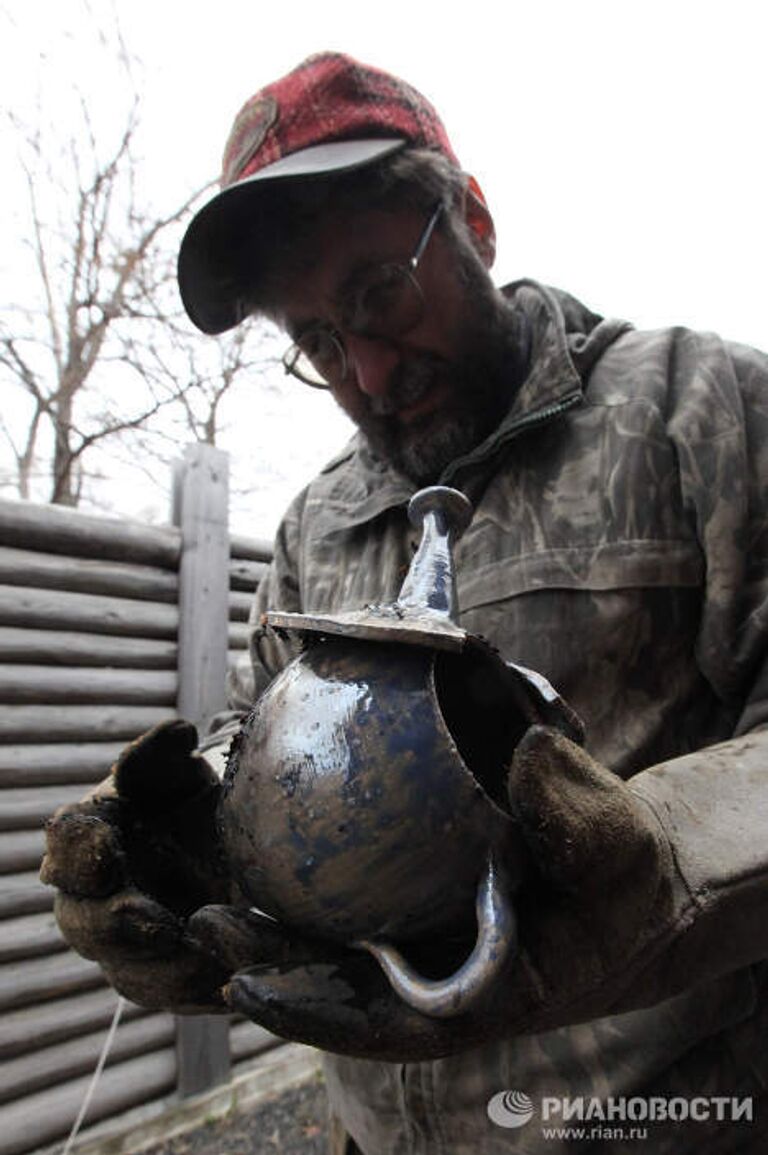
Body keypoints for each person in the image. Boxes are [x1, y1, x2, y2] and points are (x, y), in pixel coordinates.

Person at [41, 53, 768, 1153]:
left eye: (379, 294)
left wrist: (654, 858)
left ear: (470, 217)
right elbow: (270, 792)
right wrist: (180, 874)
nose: (369, 374)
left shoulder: (698, 410)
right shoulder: (313, 529)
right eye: (319, 343)